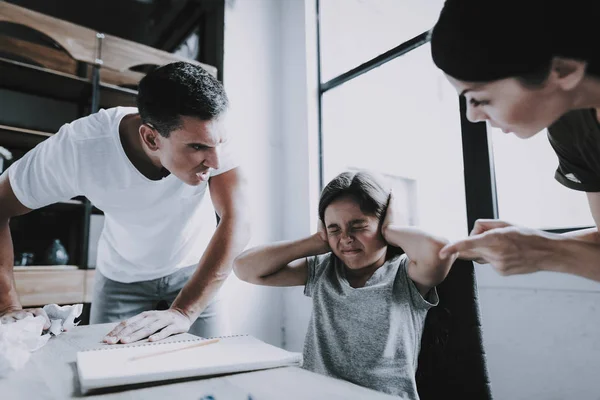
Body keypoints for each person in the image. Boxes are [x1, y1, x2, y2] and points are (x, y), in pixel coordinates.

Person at [0, 62, 251, 343]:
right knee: (106, 371)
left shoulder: (213, 135)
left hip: (195, 270)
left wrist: (183, 310)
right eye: (197, 147)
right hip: (121, 279)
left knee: (212, 367)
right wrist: (8, 307)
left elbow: (237, 218)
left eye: (219, 145)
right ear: (151, 138)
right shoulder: (79, 147)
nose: (215, 162)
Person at [233, 171, 455, 398]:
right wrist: (316, 241)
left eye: (358, 226)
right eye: (335, 229)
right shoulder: (323, 268)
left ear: (383, 225)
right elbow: (244, 268)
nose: (346, 238)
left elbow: (440, 250)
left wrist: (391, 230)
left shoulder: (404, 275)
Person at [430, 0, 600, 282]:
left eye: (480, 99)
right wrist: (530, 242)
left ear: (564, 70)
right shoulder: (572, 126)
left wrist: (547, 253)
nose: (472, 116)